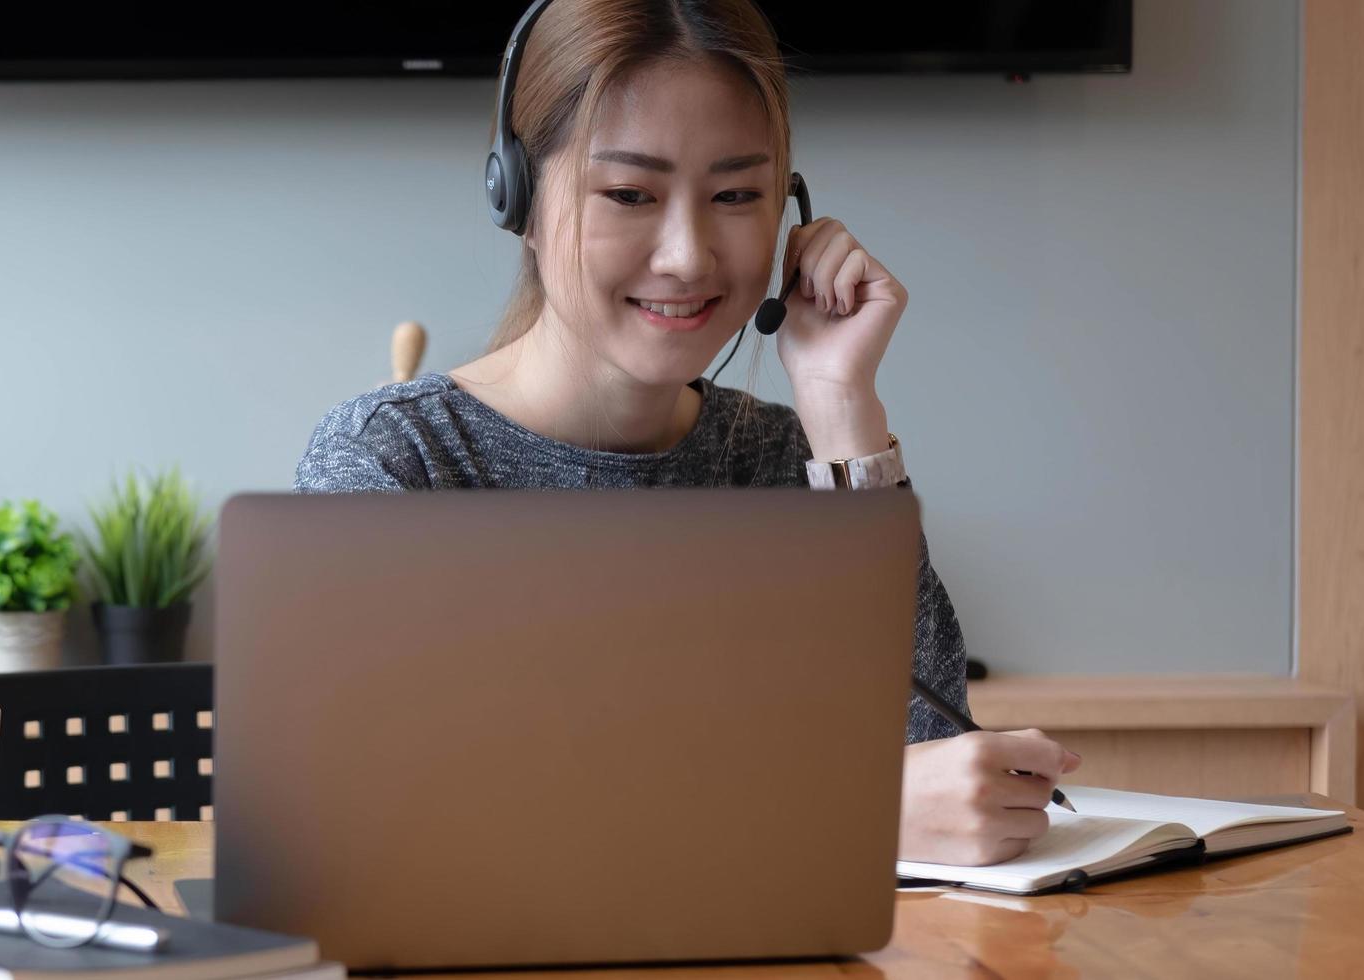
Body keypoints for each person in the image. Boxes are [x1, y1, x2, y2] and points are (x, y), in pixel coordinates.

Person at [292, 0, 1079, 867]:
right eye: (629, 194)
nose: (689, 257)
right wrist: (835, 805)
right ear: (513, 194)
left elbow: (930, 765)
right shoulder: (395, 462)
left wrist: (840, 411)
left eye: (737, 195)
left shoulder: (786, 458)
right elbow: (371, 825)